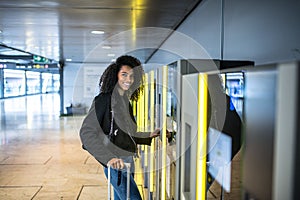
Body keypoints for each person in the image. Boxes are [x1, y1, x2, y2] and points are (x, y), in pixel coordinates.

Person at [79, 55, 161, 200]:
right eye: (124, 74)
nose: (128, 79)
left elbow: (126, 134)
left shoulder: (124, 101)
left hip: (128, 161)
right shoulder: (104, 100)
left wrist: (148, 135)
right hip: (116, 164)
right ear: (115, 75)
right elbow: (86, 133)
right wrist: (109, 158)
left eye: (132, 76)